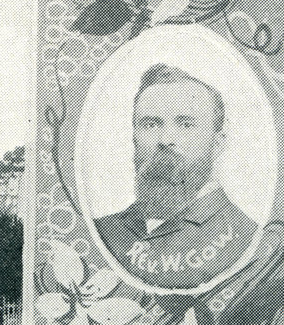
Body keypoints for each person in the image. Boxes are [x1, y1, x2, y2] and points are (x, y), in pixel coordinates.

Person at [93, 63, 259, 290]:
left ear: (218, 143)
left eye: (185, 124)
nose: (165, 140)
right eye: (150, 124)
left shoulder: (246, 238)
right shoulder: (103, 231)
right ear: (134, 138)